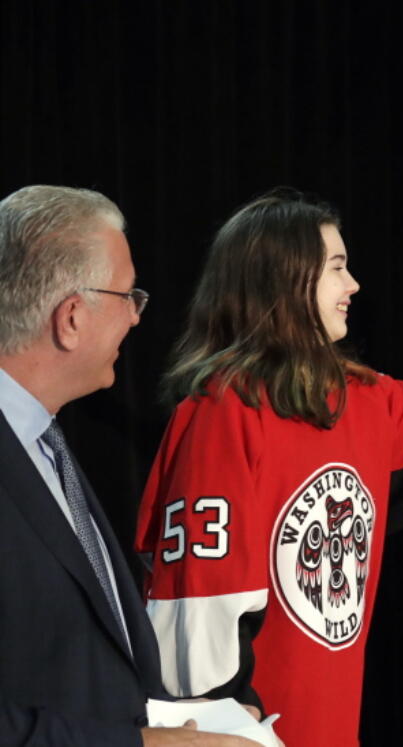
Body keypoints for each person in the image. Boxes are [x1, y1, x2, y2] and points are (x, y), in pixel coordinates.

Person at [134, 190, 403, 746]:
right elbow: (198, 596)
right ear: (284, 277)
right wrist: (222, 726)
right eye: (336, 268)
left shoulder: (361, 398)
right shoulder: (224, 410)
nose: (353, 285)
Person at [0, 185, 256, 745]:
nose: (138, 317)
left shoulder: (44, 443)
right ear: (70, 318)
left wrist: (188, 720)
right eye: (128, 296)